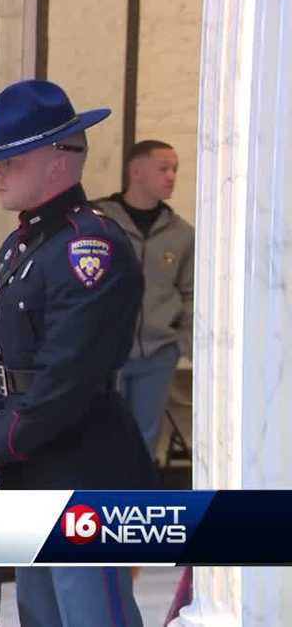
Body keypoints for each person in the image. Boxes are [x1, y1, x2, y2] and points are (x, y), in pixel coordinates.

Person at [0, 79, 156, 627]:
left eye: (10, 161)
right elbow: (1, 354)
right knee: (41, 615)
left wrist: (0, 442)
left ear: (57, 161)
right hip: (31, 460)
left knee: (92, 615)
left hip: (82, 463)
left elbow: (67, 377)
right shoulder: (23, 244)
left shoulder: (88, 249)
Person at [94, 140, 194, 454]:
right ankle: (99, 503)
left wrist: (182, 344)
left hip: (158, 354)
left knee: (144, 442)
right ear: (136, 171)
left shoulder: (182, 233)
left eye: (175, 169)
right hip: (104, 355)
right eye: (163, 168)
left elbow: (191, 292)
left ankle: (134, 501)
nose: (171, 176)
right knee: (100, 438)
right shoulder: (98, 222)